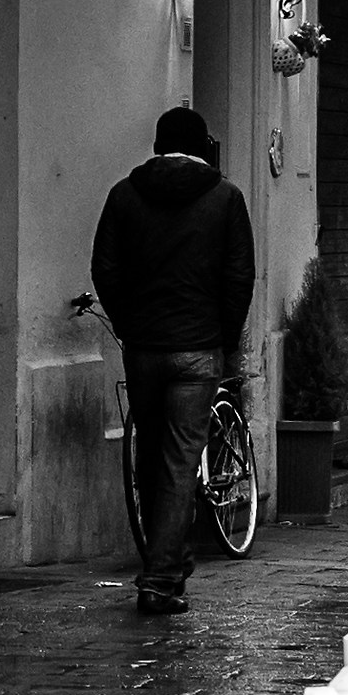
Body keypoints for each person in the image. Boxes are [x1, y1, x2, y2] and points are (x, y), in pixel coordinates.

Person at [90, 106, 255, 616]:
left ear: (158, 145)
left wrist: (128, 323)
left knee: (150, 455)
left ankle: (169, 557)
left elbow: (106, 270)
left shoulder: (123, 195)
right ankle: (160, 578)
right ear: (203, 145)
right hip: (198, 348)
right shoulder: (226, 198)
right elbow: (238, 277)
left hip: (144, 348)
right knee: (182, 459)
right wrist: (223, 338)